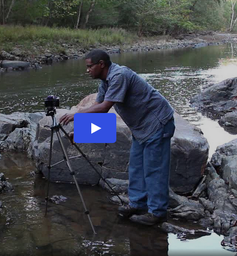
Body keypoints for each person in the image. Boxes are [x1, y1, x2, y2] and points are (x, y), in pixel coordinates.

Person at [59, 49, 175, 226]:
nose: (87, 70)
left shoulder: (119, 75)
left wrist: (77, 114)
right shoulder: (105, 81)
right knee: (136, 167)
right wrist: (82, 131)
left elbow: (105, 107)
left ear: (101, 64)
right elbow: (98, 105)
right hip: (140, 127)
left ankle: (157, 213)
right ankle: (137, 204)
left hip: (157, 123)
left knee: (154, 169)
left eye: (89, 67)